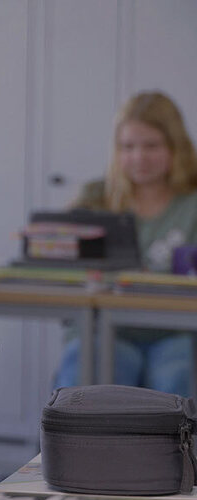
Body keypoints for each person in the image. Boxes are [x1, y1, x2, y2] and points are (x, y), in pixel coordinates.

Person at [53, 91, 197, 394]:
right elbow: (61, 265)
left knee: (174, 380)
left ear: (176, 147)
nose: (138, 158)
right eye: (128, 147)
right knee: (85, 379)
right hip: (104, 330)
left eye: (151, 146)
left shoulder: (191, 204)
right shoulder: (94, 199)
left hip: (176, 331)